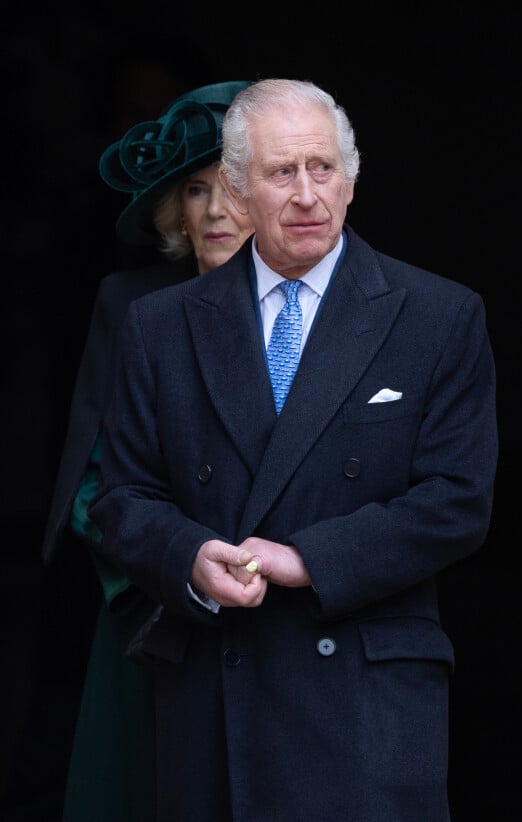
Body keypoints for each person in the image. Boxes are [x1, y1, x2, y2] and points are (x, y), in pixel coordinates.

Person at [89, 78, 498, 822]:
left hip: (366, 707)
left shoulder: (438, 315)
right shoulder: (160, 325)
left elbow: (456, 500)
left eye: (323, 168)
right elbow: (123, 497)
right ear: (241, 189)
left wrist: (310, 559)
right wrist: (189, 556)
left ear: (351, 177)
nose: (307, 194)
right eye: (283, 173)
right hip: (215, 695)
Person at [38, 80, 254, 822]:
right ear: (173, 210)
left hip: (290, 620)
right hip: (153, 615)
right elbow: (92, 485)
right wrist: (180, 562)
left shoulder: (325, 308)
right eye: (195, 190)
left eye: (233, 186)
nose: (216, 210)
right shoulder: (131, 303)